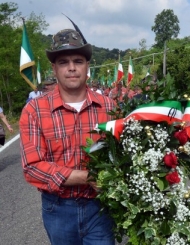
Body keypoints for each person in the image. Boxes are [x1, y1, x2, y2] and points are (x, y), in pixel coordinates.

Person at [19, 28, 116, 245]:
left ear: (87, 65)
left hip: (99, 208)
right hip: (58, 209)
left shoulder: (109, 106)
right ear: (54, 68)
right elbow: (33, 167)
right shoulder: (35, 110)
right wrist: (86, 177)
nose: (71, 68)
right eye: (63, 62)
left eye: (78, 61)